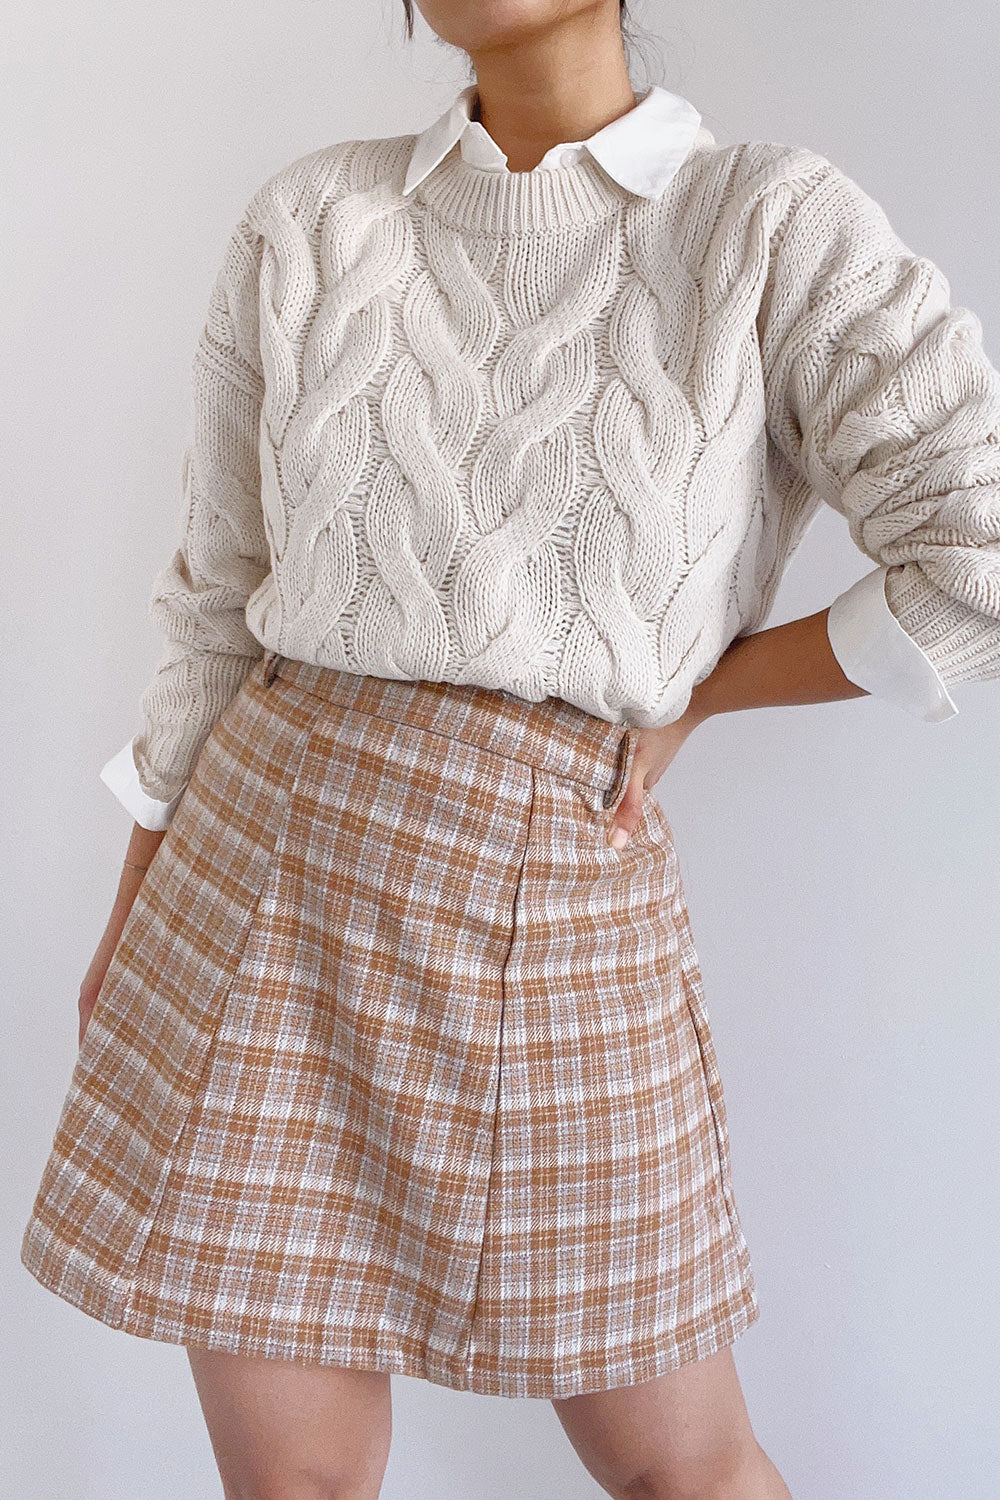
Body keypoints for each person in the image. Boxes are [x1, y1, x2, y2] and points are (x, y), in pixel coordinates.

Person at [21, 2, 1000, 1497]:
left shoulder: (768, 226)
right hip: (260, 875)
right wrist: (133, 901)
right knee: (294, 1487)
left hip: (555, 892)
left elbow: (976, 553)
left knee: (690, 1472)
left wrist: (701, 698)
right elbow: (219, 597)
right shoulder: (313, 217)